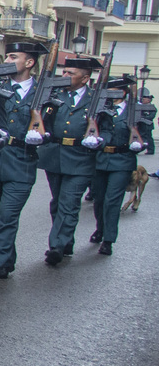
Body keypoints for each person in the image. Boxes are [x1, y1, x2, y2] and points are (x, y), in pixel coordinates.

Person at [0, 40, 47, 290]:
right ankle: (7, 259)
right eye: (6, 56)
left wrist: (41, 135)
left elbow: (54, 123)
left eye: (12, 57)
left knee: (7, 217)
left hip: (22, 161)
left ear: (29, 63)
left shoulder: (45, 91)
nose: (6, 61)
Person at [36, 55, 103, 265]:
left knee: (69, 202)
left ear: (84, 79)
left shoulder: (96, 99)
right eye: (64, 72)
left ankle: (56, 246)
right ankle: (66, 241)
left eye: (70, 73)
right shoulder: (54, 96)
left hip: (81, 157)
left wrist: (98, 140)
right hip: (55, 155)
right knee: (57, 202)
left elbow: (109, 129)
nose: (64, 76)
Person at [90, 79, 152, 255]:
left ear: (123, 93)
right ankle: (100, 228)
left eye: (113, 91)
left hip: (123, 159)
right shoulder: (101, 109)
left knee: (112, 201)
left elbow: (145, 136)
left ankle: (108, 239)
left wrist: (140, 145)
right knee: (99, 199)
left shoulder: (135, 111)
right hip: (101, 158)